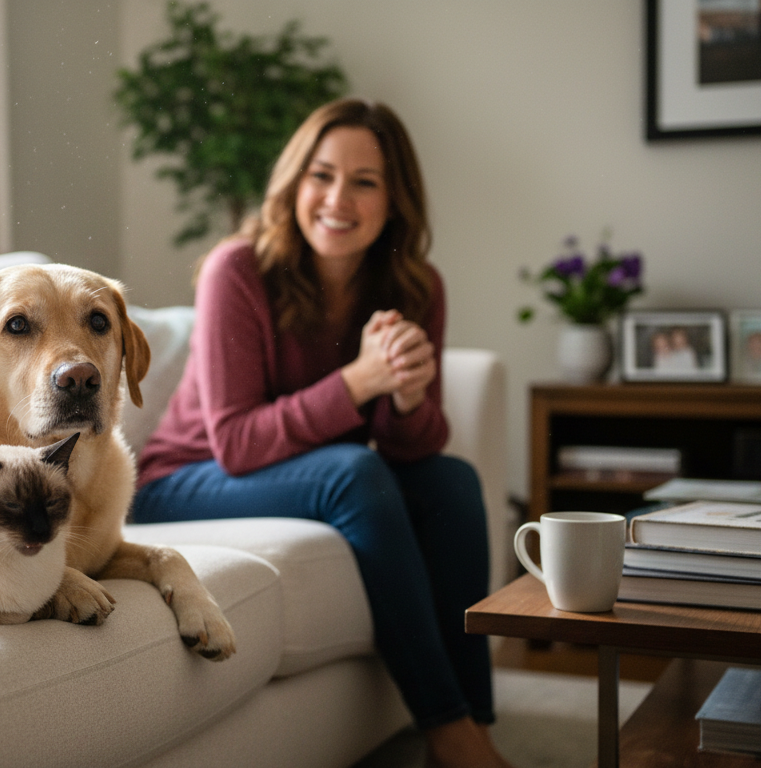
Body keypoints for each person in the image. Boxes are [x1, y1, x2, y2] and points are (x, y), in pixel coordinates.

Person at [131, 98, 513, 768]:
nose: (338, 198)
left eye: (365, 182)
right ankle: (451, 732)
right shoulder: (238, 269)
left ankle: (474, 723)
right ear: (294, 182)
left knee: (451, 480)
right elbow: (238, 443)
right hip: (181, 482)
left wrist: (409, 397)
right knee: (351, 471)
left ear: (395, 199)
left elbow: (412, 448)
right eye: (321, 175)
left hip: (297, 473)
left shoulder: (416, 286)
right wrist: (361, 382)